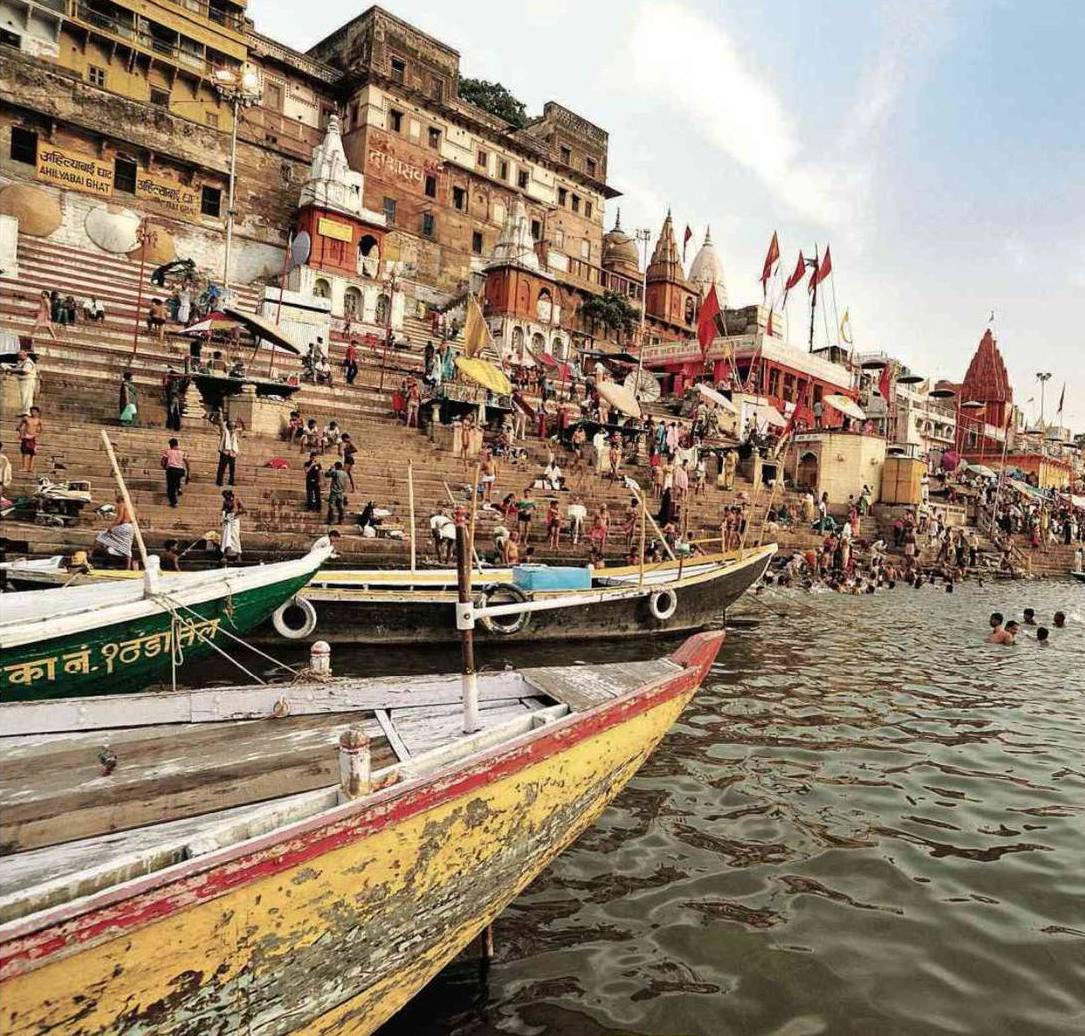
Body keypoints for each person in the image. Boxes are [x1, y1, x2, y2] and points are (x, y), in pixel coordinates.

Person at [95, 494, 136, 569]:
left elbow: (119, 518)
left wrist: (111, 527)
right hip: (130, 528)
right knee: (127, 546)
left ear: (120, 500)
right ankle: (128, 566)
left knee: (102, 535)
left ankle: (93, 552)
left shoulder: (122, 505)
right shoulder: (132, 507)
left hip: (123, 527)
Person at [3, 349, 38, 416]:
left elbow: (25, 371)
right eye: (18, 356)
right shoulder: (21, 362)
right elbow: (17, 370)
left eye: (20, 356)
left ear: (25, 355)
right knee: (23, 396)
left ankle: (27, 412)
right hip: (22, 381)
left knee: (27, 397)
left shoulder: (28, 362)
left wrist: (12, 371)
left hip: (28, 381)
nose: (19, 357)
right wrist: (11, 370)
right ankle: (24, 411)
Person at [161, 437, 190, 508]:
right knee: (177, 479)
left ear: (171, 445)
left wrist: (164, 466)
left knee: (171, 486)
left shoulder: (168, 451)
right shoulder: (182, 452)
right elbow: (187, 463)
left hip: (171, 469)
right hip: (180, 470)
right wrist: (188, 473)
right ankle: (179, 488)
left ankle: (174, 502)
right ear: (177, 444)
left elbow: (163, 460)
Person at [220, 490, 245, 559]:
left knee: (235, 537)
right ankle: (224, 555)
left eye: (226, 496)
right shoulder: (225, 501)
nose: (225, 498)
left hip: (235, 520)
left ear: (230, 495)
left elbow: (244, 510)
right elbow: (223, 510)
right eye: (224, 497)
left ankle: (238, 556)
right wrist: (224, 518)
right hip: (227, 520)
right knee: (226, 537)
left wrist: (235, 514)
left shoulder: (237, 500)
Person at [16, 406, 42, 473]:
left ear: (37, 412)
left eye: (34, 412)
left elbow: (40, 430)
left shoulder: (38, 420)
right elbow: (19, 427)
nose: (33, 413)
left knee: (32, 453)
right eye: (32, 411)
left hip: (32, 438)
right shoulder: (26, 418)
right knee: (24, 452)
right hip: (26, 437)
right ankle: (24, 467)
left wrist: (36, 434)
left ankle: (31, 468)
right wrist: (21, 434)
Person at [216, 420, 241, 487]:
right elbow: (221, 425)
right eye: (231, 425)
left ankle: (231, 481)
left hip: (232, 453)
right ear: (228, 426)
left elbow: (238, 440)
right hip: (225, 451)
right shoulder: (224, 432)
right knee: (222, 467)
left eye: (233, 426)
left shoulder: (235, 434)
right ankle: (219, 481)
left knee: (232, 468)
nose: (232, 427)